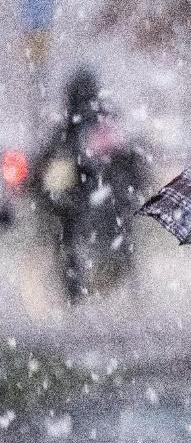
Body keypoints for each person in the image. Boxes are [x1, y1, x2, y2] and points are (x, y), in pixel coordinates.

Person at [27, 67, 149, 302]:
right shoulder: (106, 123)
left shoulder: (68, 127)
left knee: (68, 240)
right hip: (107, 198)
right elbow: (130, 160)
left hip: (76, 198)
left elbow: (48, 166)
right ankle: (124, 286)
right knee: (119, 239)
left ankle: (76, 289)